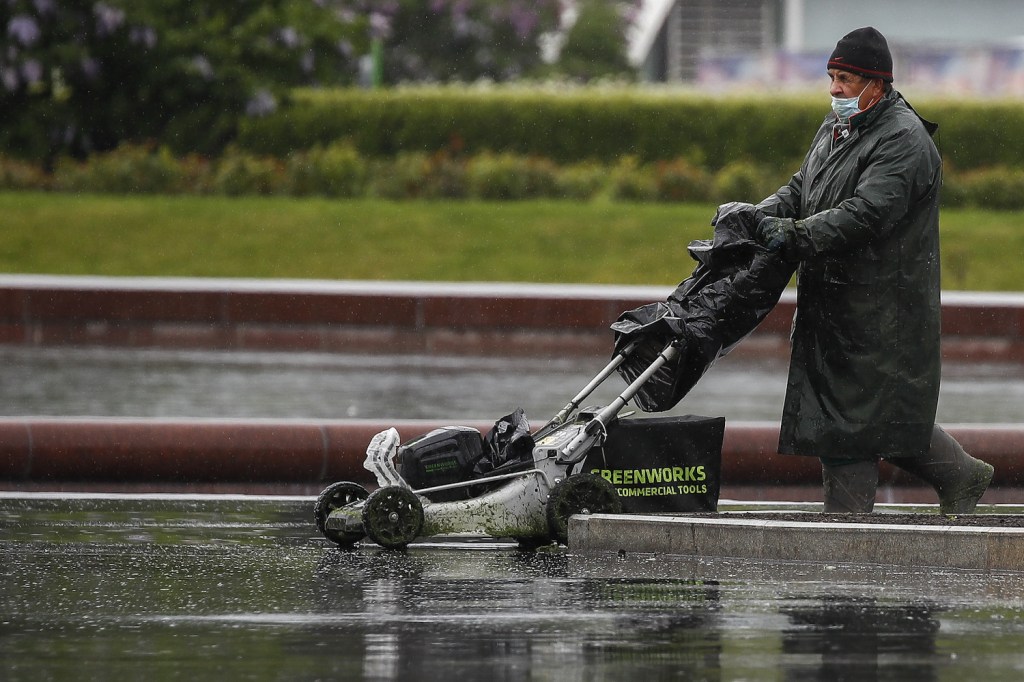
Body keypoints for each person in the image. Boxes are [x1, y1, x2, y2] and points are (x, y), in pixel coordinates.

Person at [750, 26, 994, 513]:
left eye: (845, 78)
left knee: (848, 425)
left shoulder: (904, 140)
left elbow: (865, 214)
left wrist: (794, 236)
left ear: (877, 84)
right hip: (840, 306)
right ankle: (962, 475)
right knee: (874, 413)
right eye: (832, 76)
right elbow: (803, 187)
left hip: (881, 312)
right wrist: (758, 215)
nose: (834, 88)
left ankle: (846, 545)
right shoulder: (839, 126)